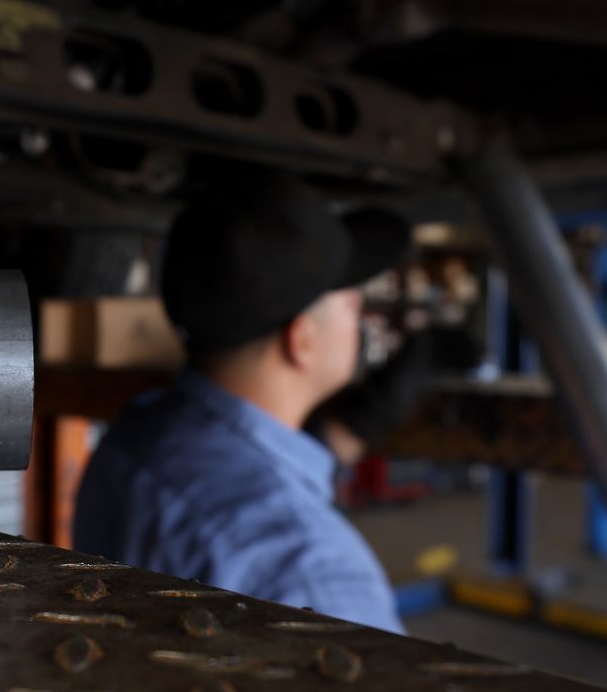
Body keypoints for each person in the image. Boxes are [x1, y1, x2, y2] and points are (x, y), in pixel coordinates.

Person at [73, 173, 410, 632]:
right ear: (302, 341)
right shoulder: (314, 575)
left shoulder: (133, 438)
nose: (361, 320)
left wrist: (351, 429)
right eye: (353, 308)